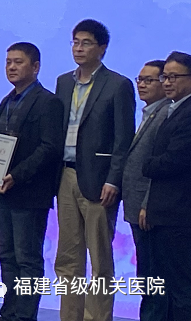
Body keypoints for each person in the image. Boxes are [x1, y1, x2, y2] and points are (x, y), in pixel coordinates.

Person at [54, 19, 135, 321]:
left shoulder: (117, 84)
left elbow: (123, 139)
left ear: (102, 48)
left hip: (99, 181)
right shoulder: (64, 82)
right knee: (67, 257)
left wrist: (114, 180)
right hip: (65, 175)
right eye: (75, 42)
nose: (78, 48)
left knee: (99, 259)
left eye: (86, 43)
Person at [0, 42, 64, 321]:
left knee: (27, 260)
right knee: (6, 256)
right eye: (8, 62)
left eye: (18, 62)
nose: (11, 67)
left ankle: (25, 316)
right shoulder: (6, 102)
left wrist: (16, 175)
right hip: (1, 191)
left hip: (29, 192)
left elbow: (49, 148)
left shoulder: (48, 102)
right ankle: (9, 313)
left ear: (36, 67)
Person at [143, 51, 191, 319]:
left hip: (179, 215)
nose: (168, 82)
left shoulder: (188, 112)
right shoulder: (174, 109)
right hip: (166, 214)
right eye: (165, 77)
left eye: (174, 77)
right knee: (168, 286)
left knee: (182, 289)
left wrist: (148, 164)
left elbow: (175, 160)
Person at [121, 60, 170, 321]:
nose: (141, 84)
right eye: (139, 79)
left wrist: (149, 203)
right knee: (146, 275)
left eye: (149, 80)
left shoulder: (165, 114)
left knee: (154, 275)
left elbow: (160, 166)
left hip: (149, 210)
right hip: (137, 207)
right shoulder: (149, 112)